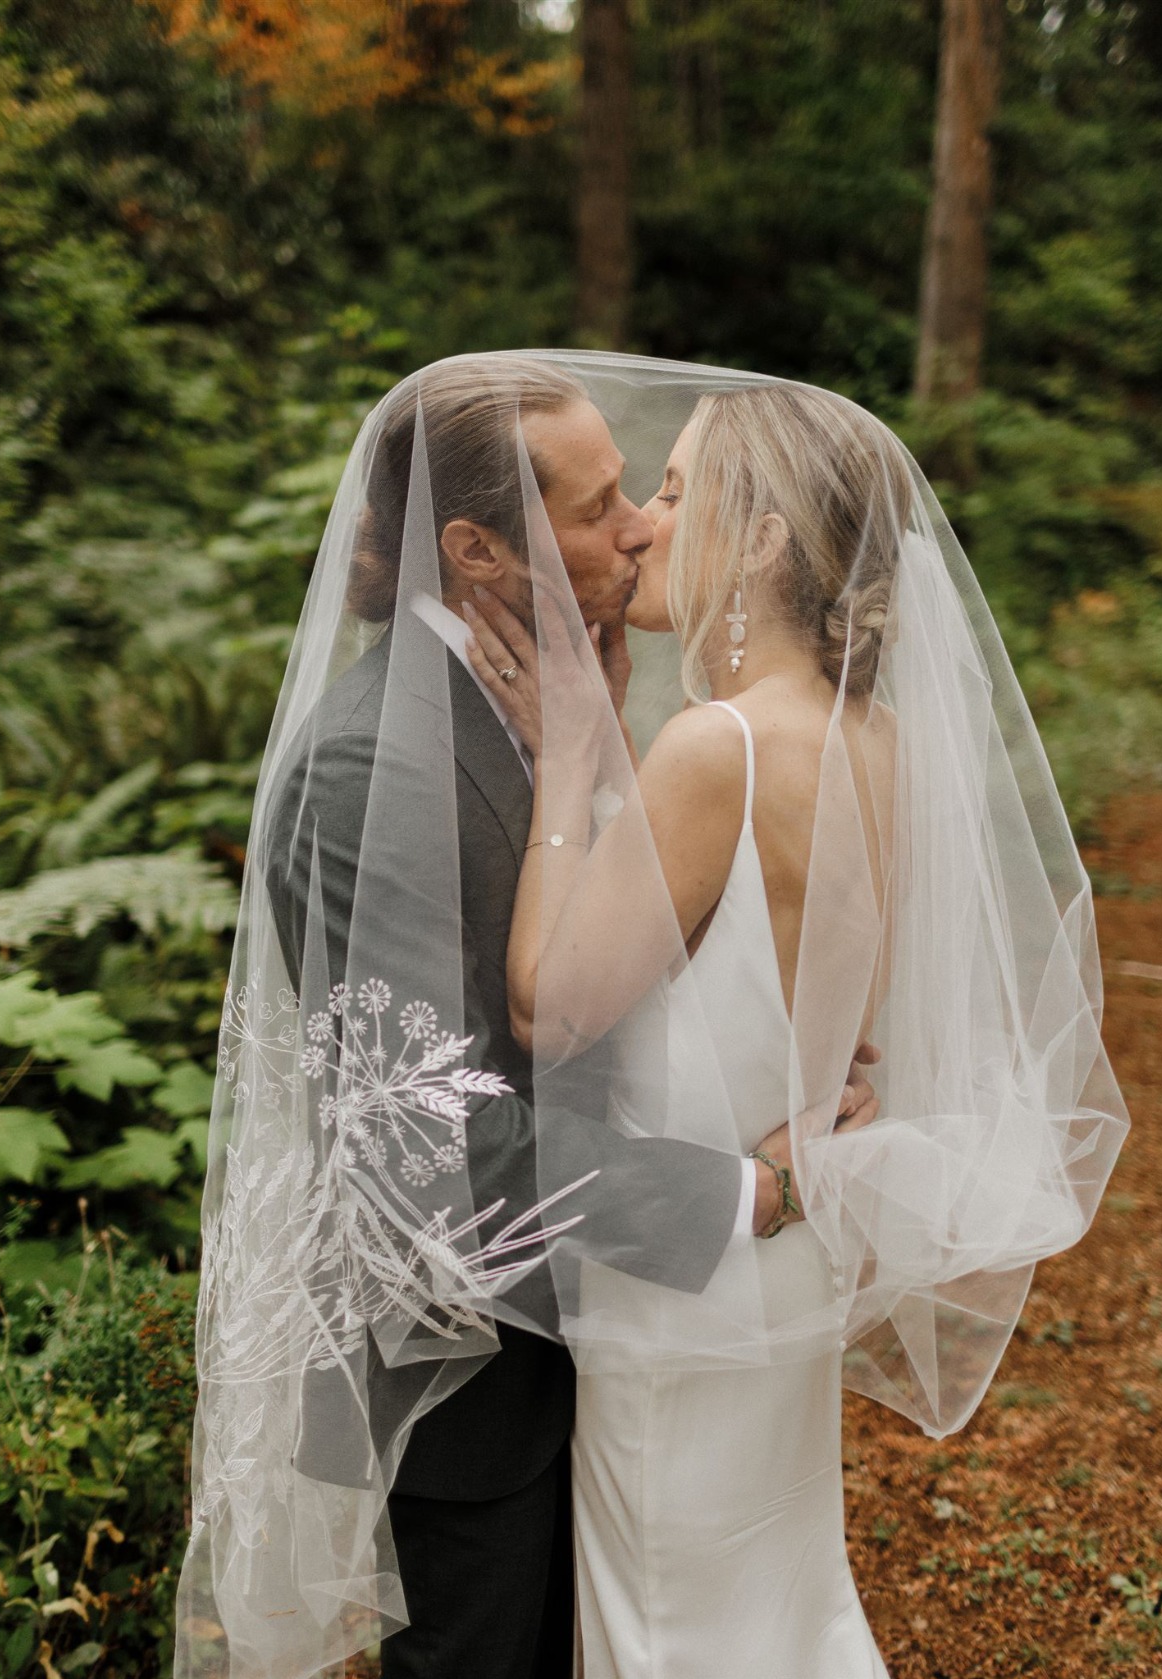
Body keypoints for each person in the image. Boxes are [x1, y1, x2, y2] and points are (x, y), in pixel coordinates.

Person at [174, 356, 882, 1679]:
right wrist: (748, 1194)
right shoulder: (366, 769)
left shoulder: (570, 699)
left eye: (648, 491)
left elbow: (635, 969)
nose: (639, 527)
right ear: (477, 548)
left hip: (607, 1347)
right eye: (603, 502)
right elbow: (429, 1161)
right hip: (473, 1396)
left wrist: (796, 1030)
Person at [467, 377, 1128, 1677]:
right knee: (775, 1611)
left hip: (685, 1290)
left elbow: (547, 1003)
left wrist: (562, 767)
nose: (648, 524)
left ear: (763, 540)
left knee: (674, 1636)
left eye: (671, 489)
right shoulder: (872, 736)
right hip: (782, 1252)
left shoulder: (718, 748)